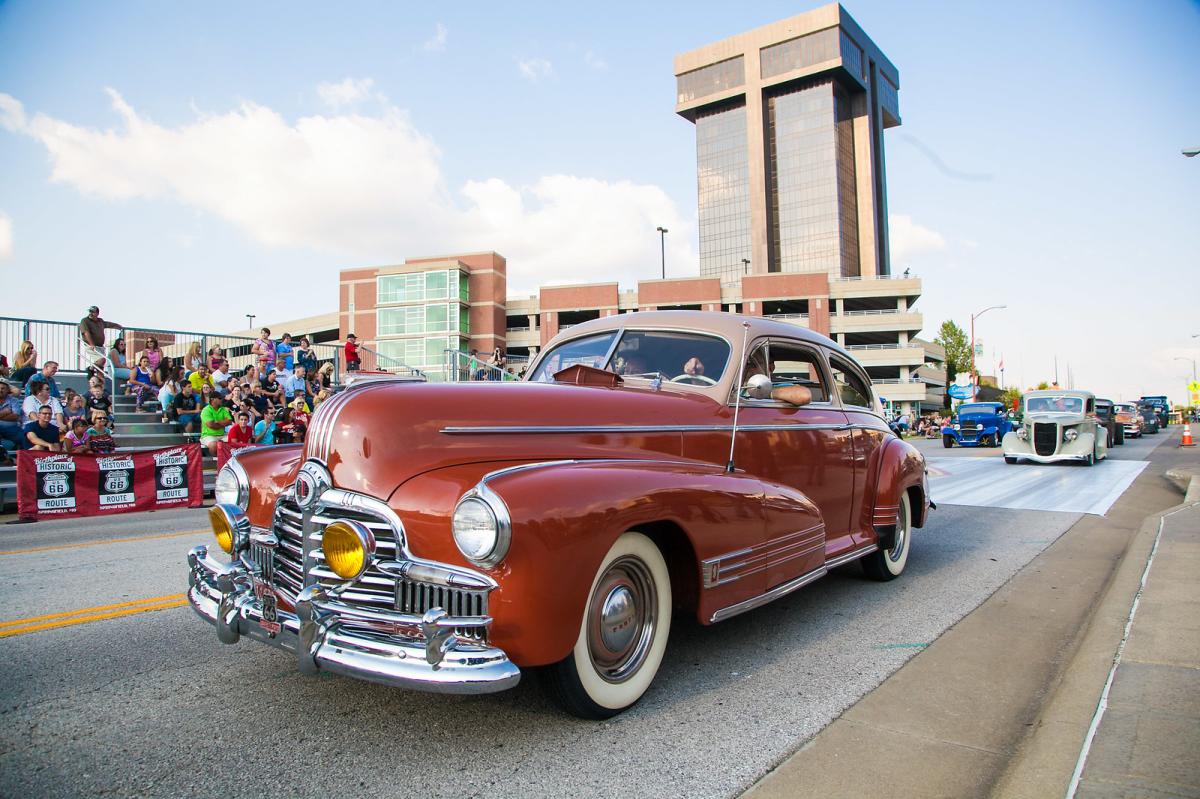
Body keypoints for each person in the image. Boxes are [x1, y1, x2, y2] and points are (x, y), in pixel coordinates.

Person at [79, 305, 123, 376]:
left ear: (97, 313)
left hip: (100, 346)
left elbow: (108, 324)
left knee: (101, 366)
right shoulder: (85, 321)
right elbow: (86, 333)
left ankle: (100, 381)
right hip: (91, 345)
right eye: (90, 311)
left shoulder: (100, 321)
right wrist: (91, 344)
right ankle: (91, 368)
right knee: (102, 360)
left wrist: (118, 326)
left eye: (93, 312)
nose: (90, 313)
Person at [0, 382, 28, 455]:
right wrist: (6, 412)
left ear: (8, 390)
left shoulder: (14, 400)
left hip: (12, 428)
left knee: (24, 438)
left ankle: (24, 459)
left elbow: (16, 416)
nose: (0, 390)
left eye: (3, 388)